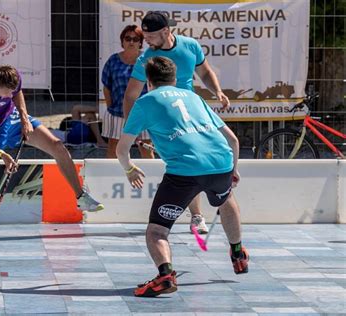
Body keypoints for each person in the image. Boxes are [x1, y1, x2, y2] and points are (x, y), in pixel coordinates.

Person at [116, 56, 248, 297]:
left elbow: (121, 148)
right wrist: (233, 170)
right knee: (226, 199)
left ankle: (165, 275)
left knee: (157, 230)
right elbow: (233, 140)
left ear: (149, 81)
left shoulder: (145, 102)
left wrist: (129, 169)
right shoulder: (194, 97)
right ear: (175, 79)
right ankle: (238, 252)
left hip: (184, 173)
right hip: (221, 162)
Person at [0, 65, 104, 240]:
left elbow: (17, 94)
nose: (10, 96)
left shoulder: (11, 78)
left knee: (57, 145)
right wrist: (2, 154)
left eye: (13, 91)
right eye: (7, 93)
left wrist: (24, 118)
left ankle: (80, 196)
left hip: (10, 119)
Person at [123, 11, 232, 234]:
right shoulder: (147, 59)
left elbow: (205, 72)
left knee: (201, 157)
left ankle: (201, 215)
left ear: (166, 31)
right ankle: (195, 215)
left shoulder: (190, 46)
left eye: (150, 36)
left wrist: (218, 91)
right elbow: (131, 94)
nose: (147, 42)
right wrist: (131, 129)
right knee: (185, 162)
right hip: (165, 116)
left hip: (191, 110)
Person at [101, 25, 152, 158]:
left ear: (140, 42)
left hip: (143, 113)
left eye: (135, 39)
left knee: (146, 146)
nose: (131, 42)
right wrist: (111, 107)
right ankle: (111, 177)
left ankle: (152, 178)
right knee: (114, 146)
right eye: (127, 38)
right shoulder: (113, 61)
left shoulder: (147, 61)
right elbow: (106, 86)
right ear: (122, 41)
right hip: (117, 113)